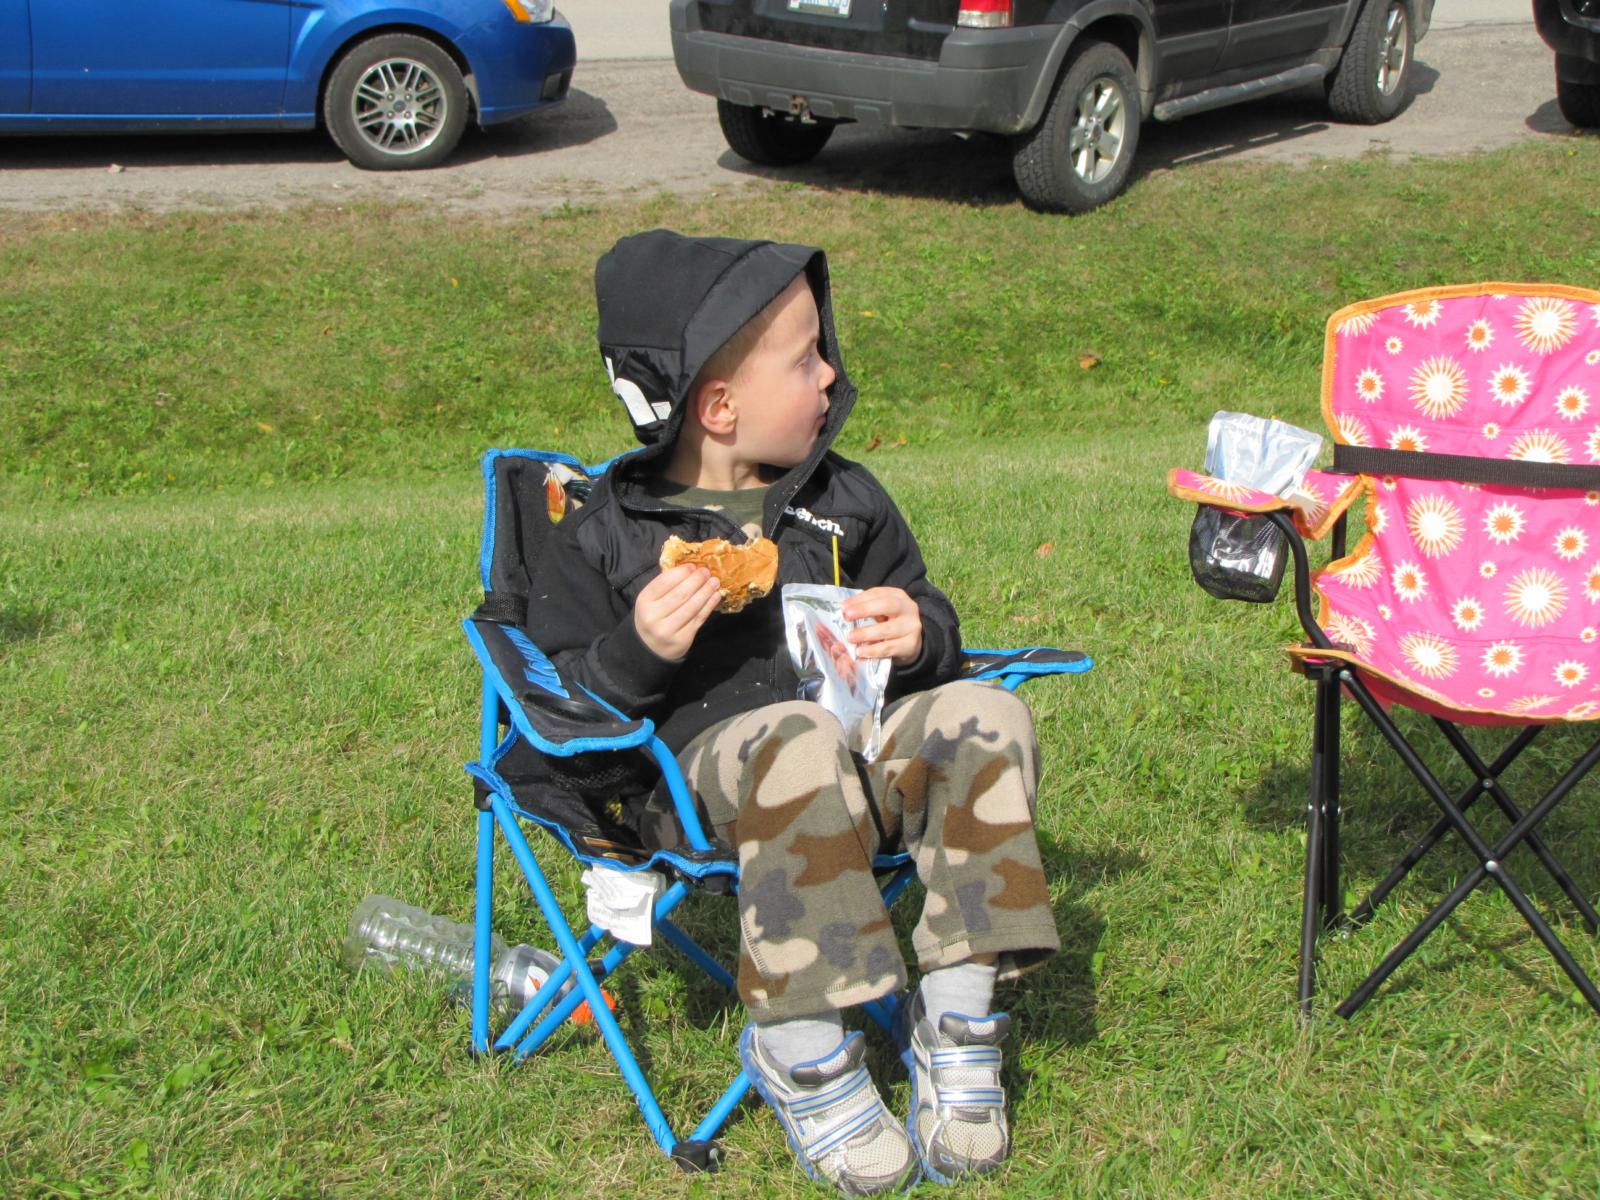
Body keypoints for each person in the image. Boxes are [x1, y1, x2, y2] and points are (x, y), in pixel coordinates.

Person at [523, 230, 1059, 1193]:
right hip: (701, 797)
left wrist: (920, 634)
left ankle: (958, 1020)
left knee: (985, 714)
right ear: (720, 407)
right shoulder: (608, 532)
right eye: (805, 360)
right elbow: (559, 706)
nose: (831, 375)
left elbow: (923, 603)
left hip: (864, 759)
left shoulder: (841, 497)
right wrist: (639, 650)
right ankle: (803, 1051)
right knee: (795, 739)